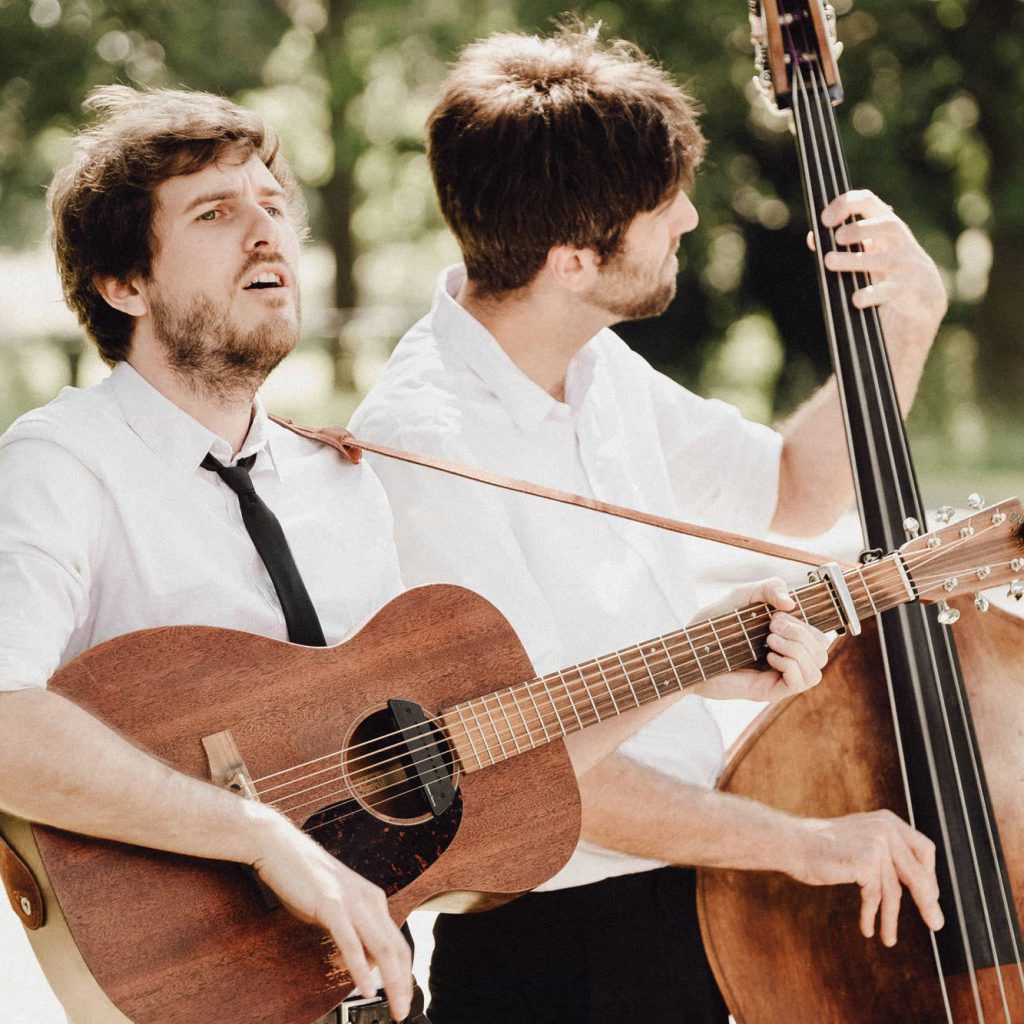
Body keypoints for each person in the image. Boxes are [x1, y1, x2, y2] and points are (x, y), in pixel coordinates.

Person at [0, 85, 830, 1024]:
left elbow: (476, 755)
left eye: (273, 204)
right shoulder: (62, 464)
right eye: (215, 212)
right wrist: (259, 836)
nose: (266, 231)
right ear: (124, 284)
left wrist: (690, 665)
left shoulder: (341, 478)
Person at [350, 22, 948, 1024]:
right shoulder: (426, 449)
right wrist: (803, 842)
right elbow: (520, 771)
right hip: (558, 957)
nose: (689, 216)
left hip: (680, 902)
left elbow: (793, 489)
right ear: (574, 259)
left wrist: (907, 322)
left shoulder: (588, 360)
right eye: (659, 204)